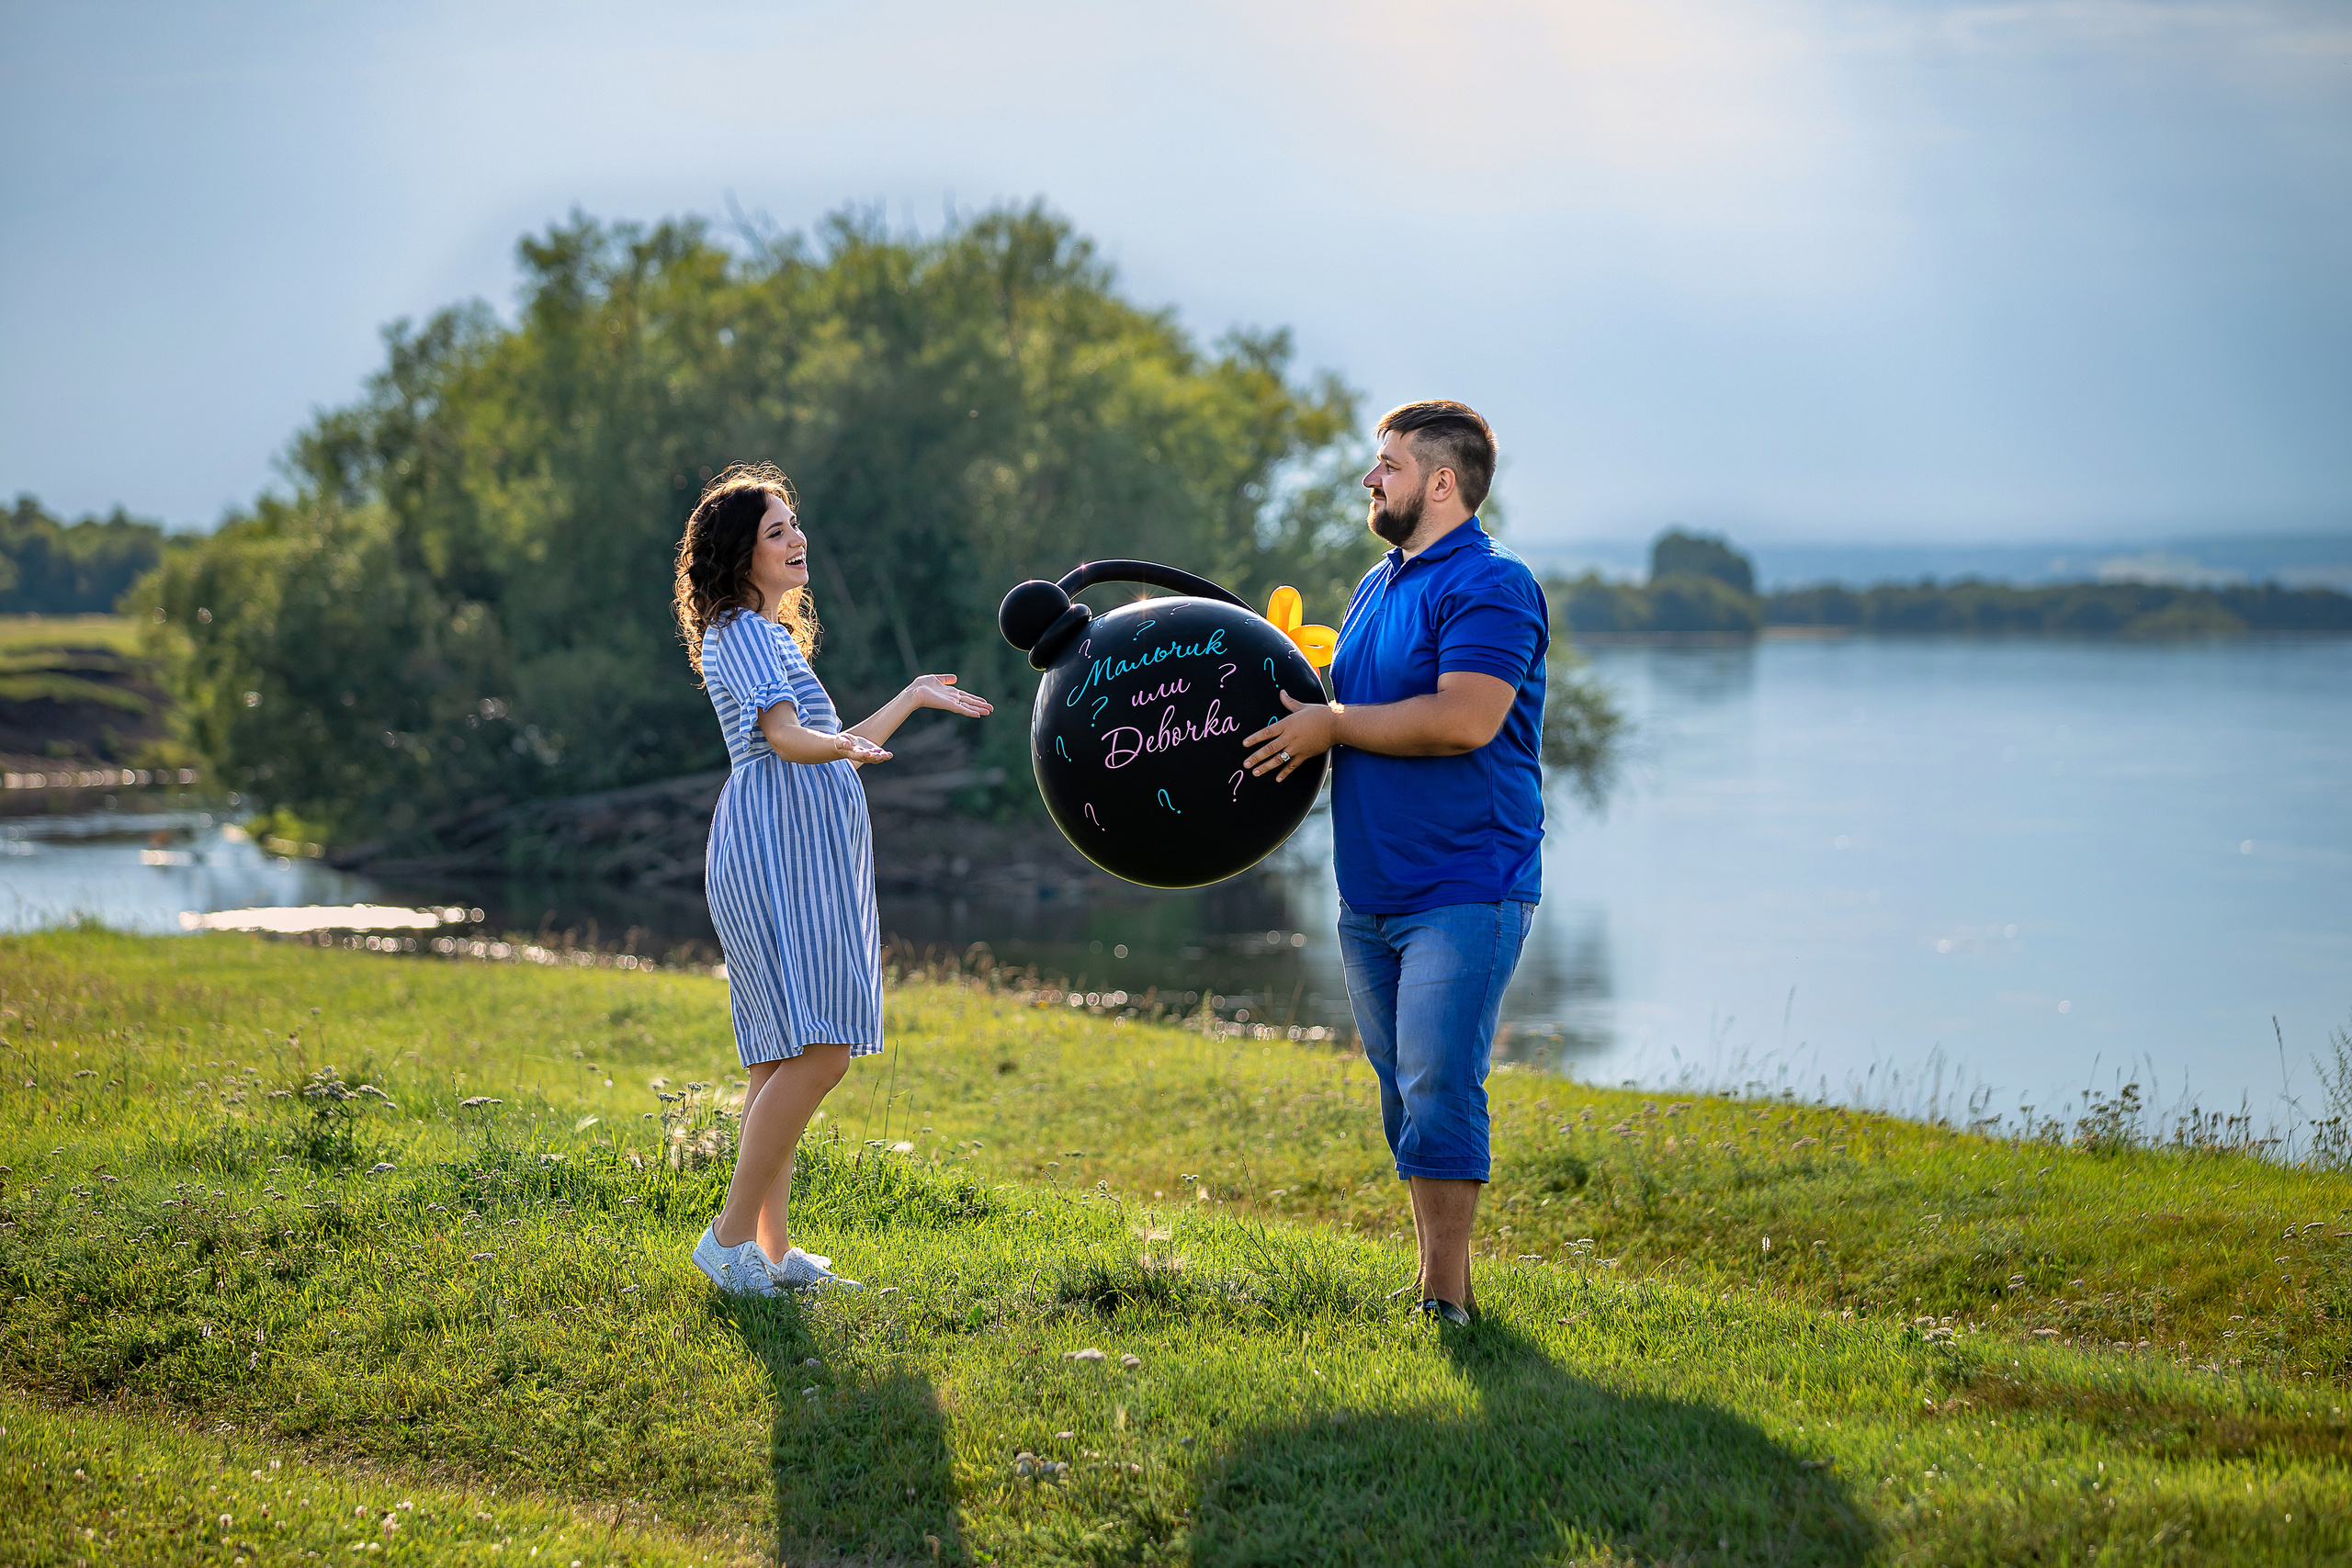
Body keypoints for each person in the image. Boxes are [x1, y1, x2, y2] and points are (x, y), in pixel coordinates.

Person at [1242, 400, 1547, 1326]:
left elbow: (1465, 719)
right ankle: (1434, 1280)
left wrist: (1332, 722)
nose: (1370, 479)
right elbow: (1340, 706)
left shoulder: (1492, 584)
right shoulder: (1377, 585)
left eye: (1388, 465)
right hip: (1369, 886)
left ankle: (1443, 1304)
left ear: (1441, 482)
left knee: (1436, 1079)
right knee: (1399, 1088)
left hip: (1468, 880)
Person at [672, 462, 992, 1294]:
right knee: (822, 1048)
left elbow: (826, 735)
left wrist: (910, 699)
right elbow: (786, 737)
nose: (796, 538)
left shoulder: (765, 635)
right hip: (780, 853)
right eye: (776, 532)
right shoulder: (743, 632)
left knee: (781, 1048)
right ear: (741, 556)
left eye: (793, 524)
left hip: (792, 847)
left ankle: (770, 1254)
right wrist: (842, 747)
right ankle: (729, 1240)